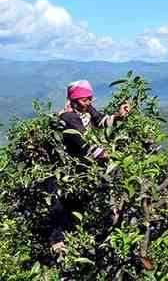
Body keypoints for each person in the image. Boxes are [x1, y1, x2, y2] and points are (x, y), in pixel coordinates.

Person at [49, 80, 130, 254]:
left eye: (90, 98)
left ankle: (75, 237)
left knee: (77, 204)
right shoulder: (69, 117)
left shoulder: (85, 109)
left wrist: (119, 116)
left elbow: (101, 121)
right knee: (64, 206)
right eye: (86, 99)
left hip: (81, 164)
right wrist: (113, 155)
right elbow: (85, 145)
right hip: (69, 167)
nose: (90, 102)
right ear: (76, 100)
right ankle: (59, 243)